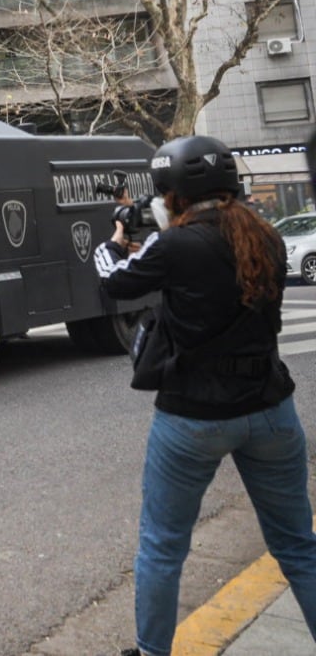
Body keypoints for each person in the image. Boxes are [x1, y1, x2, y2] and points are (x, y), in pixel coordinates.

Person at [96, 136, 316, 656]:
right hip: (270, 408)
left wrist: (114, 241)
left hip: (193, 418)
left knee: (163, 546)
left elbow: (115, 284)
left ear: (170, 193)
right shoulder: (267, 235)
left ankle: (153, 652)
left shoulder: (173, 245)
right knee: (297, 546)